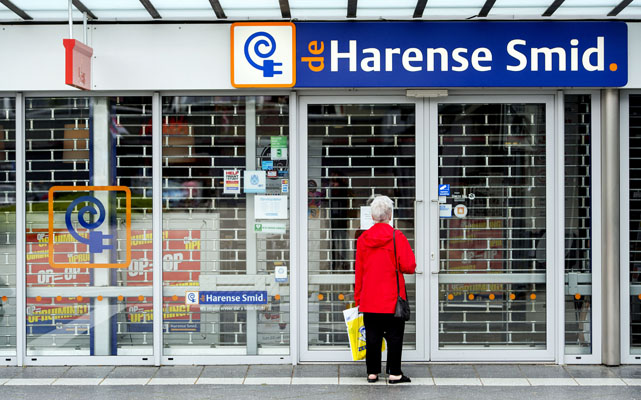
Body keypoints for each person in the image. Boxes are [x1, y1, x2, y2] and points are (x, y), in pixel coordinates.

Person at [354, 195, 416, 384]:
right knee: (394, 337)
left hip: (369, 298)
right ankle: (394, 373)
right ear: (390, 215)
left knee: (372, 337)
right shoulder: (397, 237)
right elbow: (409, 266)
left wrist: (358, 298)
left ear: (372, 216)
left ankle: (372, 373)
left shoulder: (363, 239)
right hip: (392, 299)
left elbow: (359, 272)